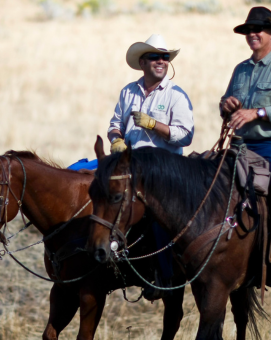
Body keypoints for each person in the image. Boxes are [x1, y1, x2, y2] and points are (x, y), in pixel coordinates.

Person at [219, 7, 271, 304]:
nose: (253, 34)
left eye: (259, 30)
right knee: (207, 179)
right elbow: (226, 105)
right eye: (248, 30)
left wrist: (257, 112)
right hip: (241, 144)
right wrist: (226, 105)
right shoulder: (241, 69)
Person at [108, 34, 194, 300]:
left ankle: (163, 274)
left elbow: (186, 135)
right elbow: (114, 125)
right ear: (142, 62)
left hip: (164, 171)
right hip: (131, 165)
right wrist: (116, 140)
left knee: (158, 216)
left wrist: (153, 125)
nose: (161, 61)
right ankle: (107, 262)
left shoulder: (176, 95)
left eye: (165, 57)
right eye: (155, 57)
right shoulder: (128, 91)